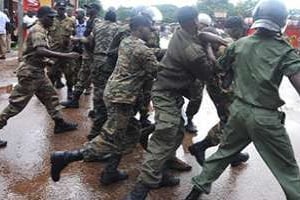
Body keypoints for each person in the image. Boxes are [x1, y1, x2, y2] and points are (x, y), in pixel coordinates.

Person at [185, 1, 300, 199]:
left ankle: (196, 191)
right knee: (287, 170)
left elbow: (219, 67)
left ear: (256, 19)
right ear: (282, 21)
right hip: (265, 119)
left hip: (238, 112)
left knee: (224, 153)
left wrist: (210, 49)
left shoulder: (240, 44)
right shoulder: (284, 50)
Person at [50, 15, 160, 185]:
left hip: (117, 93)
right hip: (122, 97)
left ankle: (110, 172)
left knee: (129, 133)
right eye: (149, 28)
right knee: (110, 137)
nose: (151, 31)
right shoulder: (141, 50)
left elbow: (148, 53)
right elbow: (157, 71)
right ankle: (66, 157)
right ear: (140, 28)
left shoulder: (127, 41)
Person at [124, 7, 220, 200]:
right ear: (193, 21)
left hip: (171, 90)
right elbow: (210, 73)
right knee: (165, 136)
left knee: (177, 130)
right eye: (198, 23)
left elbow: (201, 34)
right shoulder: (192, 51)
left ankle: (163, 166)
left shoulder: (182, 32)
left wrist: (216, 39)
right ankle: (140, 190)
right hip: (165, 92)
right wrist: (211, 48)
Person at [0, 6, 79, 147]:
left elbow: (35, 53)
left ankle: (60, 123)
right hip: (30, 74)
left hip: (37, 72)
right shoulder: (38, 30)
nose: (53, 20)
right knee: (16, 105)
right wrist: (66, 55)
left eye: (54, 17)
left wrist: (48, 61)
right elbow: (41, 50)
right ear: (42, 17)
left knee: (51, 98)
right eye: (51, 17)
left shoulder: (43, 29)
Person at [188, 16, 250, 166]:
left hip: (219, 87)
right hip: (223, 88)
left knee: (230, 120)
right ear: (238, 28)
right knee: (231, 121)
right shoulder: (228, 43)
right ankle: (201, 147)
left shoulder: (224, 39)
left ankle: (232, 153)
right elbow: (217, 65)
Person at [185, 13, 212, 133]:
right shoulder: (184, 34)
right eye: (202, 25)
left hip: (198, 74)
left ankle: (189, 118)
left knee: (196, 98)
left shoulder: (206, 36)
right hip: (183, 71)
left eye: (206, 26)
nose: (203, 28)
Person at [48, 1, 76, 95]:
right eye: (59, 9)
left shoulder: (71, 21)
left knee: (69, 73)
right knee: (51, 72)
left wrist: (71, 41)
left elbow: (74, 34)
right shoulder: (51, 20)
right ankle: (50, 92)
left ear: (65, 9)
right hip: (53, 51)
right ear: (56, 9)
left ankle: (70, 90)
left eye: (63, 9)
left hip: (67, 51)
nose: (61, 11)